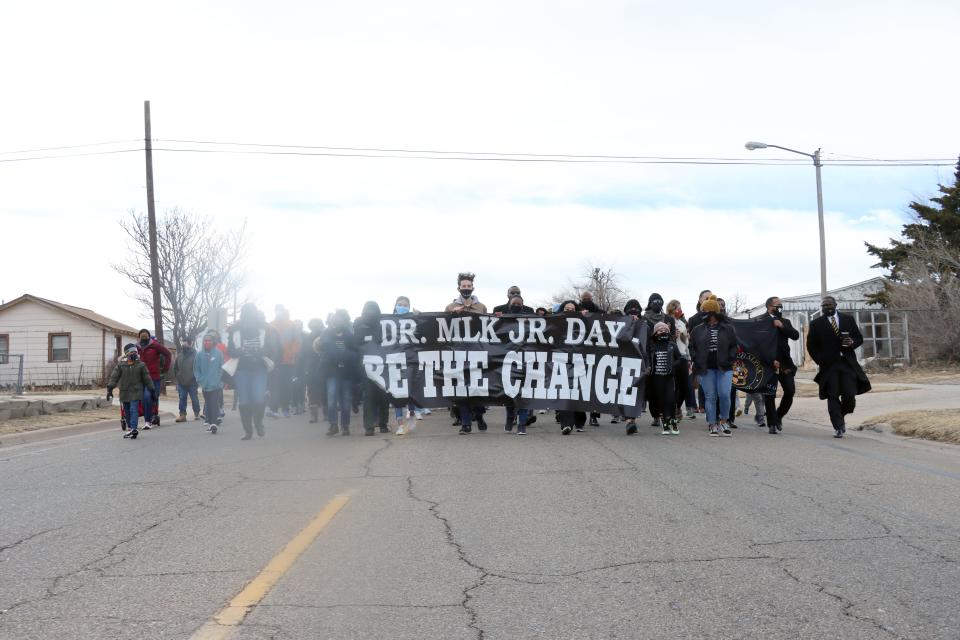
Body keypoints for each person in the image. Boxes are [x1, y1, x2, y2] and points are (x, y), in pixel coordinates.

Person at [806, 296, 871, 438]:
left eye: (829, 305)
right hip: (829, 366)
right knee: (833, 395)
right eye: (823, 306)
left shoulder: (848, 319)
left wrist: (852, 342)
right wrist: (820, 360)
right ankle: (838, 426)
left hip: (847, 363)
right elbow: (811, 345)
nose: (826, 307)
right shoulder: (816, 324)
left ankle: (840, 416)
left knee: (849, 396)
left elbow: (859, 338)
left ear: (835, 305)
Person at [227, 303, 279, 440]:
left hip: (259, 369)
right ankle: (248, 431)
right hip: (242, 370)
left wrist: (260, 352)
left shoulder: (264, 329)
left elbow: (271, 349)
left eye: (251, 314)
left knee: (258, 398)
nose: (248, 317)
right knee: (244, 401)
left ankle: (258, 423)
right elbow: (230, 351)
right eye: (246, 314)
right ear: (242, 315)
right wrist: (239, 351)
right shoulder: (235, 331)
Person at [446, 273, 488, 434]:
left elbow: (489, 325)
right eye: (463, 286)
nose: (466, 289)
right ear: (459, 288)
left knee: (477, 388)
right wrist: (452, 314)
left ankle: (479, 415)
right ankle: (465, 423)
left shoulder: (481, 306)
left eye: (468, 286)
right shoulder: (450, 307)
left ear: (472, 288)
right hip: (457, 354)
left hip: (477, 352)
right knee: (461, 389)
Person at [689, 295, 737, 437]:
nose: (702, 313)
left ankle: (723, 420)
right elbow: (692, 346)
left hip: (724, 367)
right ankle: (712, 423)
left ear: (712, 312)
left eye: (704, 310)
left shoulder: (728, 328)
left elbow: (734, 346)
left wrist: (730, 359)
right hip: (705, 368)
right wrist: (696, 359)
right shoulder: (697, 329)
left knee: (724, 394)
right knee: (710, 396)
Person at [762, 296, 801, 435]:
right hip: (768, 364)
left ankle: (778, 416)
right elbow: (757, 343)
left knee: (790, 390)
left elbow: (795, 335)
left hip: (785, 363)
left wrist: (782, 326)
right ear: (769, 307)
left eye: (781, 305)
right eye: (777, 305)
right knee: (769, 394)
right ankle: (772, 424)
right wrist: (769, 359)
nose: (780, 308)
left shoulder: (785, 321)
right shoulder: (761, 321)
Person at [320, 309, 360, 436]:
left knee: (346, 401)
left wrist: (345, 356)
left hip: (347, 373)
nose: (337, 321)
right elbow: (324, 351)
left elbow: (356, 352)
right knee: (331, 399)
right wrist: (339, 356)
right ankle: (333, 425)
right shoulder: (326, 334)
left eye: (340, 319)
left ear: (345, 320)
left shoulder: (350, 335)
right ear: (332, 321)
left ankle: (345, 426)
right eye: (335, 319)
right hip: (332, 372)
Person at [355, 301, 391, 436]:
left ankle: (382, 424)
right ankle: (369, 427)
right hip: (367, 365)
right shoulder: (358, 324)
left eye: (373, 309)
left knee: (383, 397)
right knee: (369, 398)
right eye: (369, 309)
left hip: (383, 365)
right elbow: (356, 343)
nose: (371, 312)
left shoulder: (384, 323)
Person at [501, 296, 536, 435]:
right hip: (508, 361)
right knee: (509, 393)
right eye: (513, 303)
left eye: (519, 304)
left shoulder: (531, 321)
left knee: (525, 394)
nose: (516, 305)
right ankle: (510, 418)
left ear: (523, 305)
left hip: (527, 361)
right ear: (509, 305)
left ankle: (522, 424)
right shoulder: (503, 320)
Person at [642, 293, 677, 428]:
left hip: (665, 355)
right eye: (654, 301)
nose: (658, 303)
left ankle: (667, 416)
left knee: (668, 392)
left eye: (660, 301)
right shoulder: (644, 319)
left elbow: (672, 336)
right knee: (652, 391)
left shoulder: (668, 319)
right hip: (650, 355)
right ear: (650, 303)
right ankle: (656, 415)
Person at [107, 344, 155, 440]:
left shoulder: (141, 365)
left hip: (136, 392)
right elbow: (114, 377)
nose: (134, 354)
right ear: (127, 354)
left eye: (135, 352)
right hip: (124, 392)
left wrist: (152, 390)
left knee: (134, 410)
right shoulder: (121, 365)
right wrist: (110, 389)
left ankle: (133, 428)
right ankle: (130, 428)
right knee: (127, 411)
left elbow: (147, 379)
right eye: (132, 352)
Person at [556, 301, 588, 435]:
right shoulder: (555, 321)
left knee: (579, 391)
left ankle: (579, 421)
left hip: (579, 361)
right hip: (562, 361)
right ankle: (566, 424)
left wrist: (585, 318)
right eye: (566, 308)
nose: (569, 310)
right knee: (564, 392)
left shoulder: (583, 322)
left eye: (572, 309)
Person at [391, 296, 420, 436]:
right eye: (399, 304)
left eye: (405, 305)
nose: (402, 306)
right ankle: (400, 425)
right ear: (395, 305)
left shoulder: (413, 320)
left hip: (409, 361)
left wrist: (419, 318)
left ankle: (412, 413)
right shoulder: (387, 322)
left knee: (410, 392)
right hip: (394, 361)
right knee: (397, 395)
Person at [267, 305, 301, 418]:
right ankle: (273, 409)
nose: (278, 312)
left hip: (287, 361)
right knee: (274, 386)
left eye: (280, 310)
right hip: (274, 360)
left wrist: (292, 353)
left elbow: (297, 341)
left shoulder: (291, 325)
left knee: (286, 386)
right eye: (276, 310)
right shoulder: (270, 324)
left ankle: (286, 409)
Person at [135, 329, 172, 429]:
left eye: (145, 335)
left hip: (153, 377)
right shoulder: (136, 347)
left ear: (149, 336)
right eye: (141, 336)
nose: (143, 337)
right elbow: (128, 357)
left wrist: (165, 369)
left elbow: (168, 354)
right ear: (139, 338)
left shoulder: (155, 346)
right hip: (140, 378)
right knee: (143, 400)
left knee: (148, 397)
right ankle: (150, 417)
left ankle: (148, 421)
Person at [648, 322, 680, 435]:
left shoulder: (672, 345)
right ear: (655, 333)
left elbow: (679, 359)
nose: (663, 332)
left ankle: (673, 420)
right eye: (660, 330)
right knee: (661, 400)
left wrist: (672, 366)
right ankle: (665, 423)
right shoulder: (652, 347)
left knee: (671, 400)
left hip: (669, 378)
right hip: (657, 378)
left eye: (665, 330)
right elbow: (649, 360)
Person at [666, 299, 696, 419]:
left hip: (683, 356)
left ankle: (678, 406)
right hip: (671, 356)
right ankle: (671, 410)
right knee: (671, 385)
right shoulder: (666, 320)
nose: (680, 310)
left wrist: (683, 336)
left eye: (680, 307)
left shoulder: (682, 323)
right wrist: (672, 334)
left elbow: (686, 342)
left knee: (684, 386)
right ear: (672, 308)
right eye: (678, 307)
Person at [194, 332, 224, 433]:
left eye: (209, 340)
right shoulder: (199, 355)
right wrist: (199, 379)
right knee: (208, 403)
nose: (207, 342)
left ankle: (214, 423)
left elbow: (221, 367)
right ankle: (211, 423)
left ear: (213, 342)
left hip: (216, 384)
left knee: (214, 403)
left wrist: (219, 379)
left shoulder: (218, 353)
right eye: (205, 341)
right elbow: (196, 369)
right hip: (205, 385)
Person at [299, 318, 327, 424]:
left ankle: (315, 416)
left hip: (313, 367)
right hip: (318, 367)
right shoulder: (324, 336)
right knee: (322, 390)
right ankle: (325, 414)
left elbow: (302, 354)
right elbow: (302, 354)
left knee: (313, 392)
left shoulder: (308, 338)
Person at [173, 336, 201, 423]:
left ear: (190, 343)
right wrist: (178, 377)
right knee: (182, 398)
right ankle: (182, 415)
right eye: (183, 342)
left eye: (185, 342)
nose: (183, 344)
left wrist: (196, 377)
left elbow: (199, 367)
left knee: (194, 398)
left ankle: (197, 413)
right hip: (182, 382)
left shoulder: (196, 354)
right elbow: (175, 368)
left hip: (192, 381)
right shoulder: (180, 355)